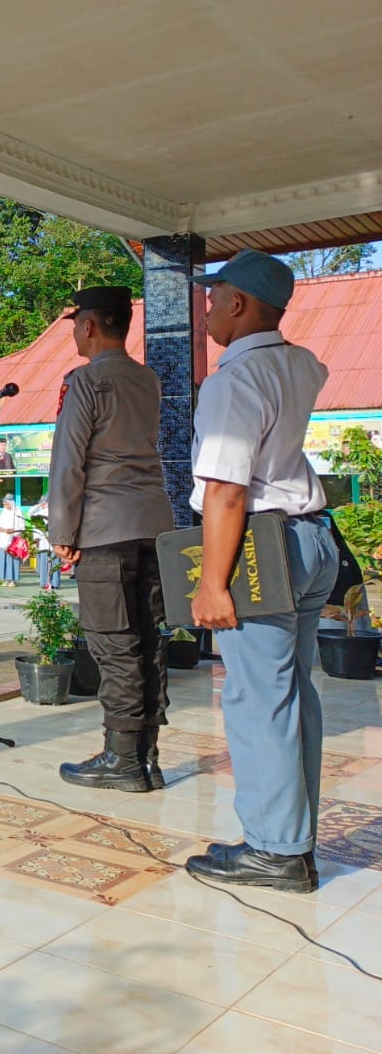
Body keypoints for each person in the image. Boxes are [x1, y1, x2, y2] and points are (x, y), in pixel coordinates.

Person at [178, 251, 338, 893]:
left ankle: (276, 850)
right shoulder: (302, 364)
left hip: (261, 546)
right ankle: (289, 840)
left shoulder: (233, 380)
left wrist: (212, 583)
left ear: (239, 303)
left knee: (257, 699)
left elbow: (224, 490)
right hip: (312, 539)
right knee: (293, 692)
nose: (208, 310)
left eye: (213, 298)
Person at [48, 285, 175, 793]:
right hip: (153, 525)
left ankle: (121, 759)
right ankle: (147, 757)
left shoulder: (87, 382)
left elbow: (68, 462)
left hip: (104, 530)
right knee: (149, 642)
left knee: (114, 646)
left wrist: (63, 531)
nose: (76, 333)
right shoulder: (147, 379)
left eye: (77, 323)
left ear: (91, 325)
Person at [0, 497, 25, 587]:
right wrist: (2, 529)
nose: (6, 506)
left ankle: (12, 580)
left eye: (7, 504)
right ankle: (5, 579)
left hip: (13, 540)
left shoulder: (17, 512)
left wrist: (13, 531)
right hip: (3, 539)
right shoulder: (4, 512)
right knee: (3, 559)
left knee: (12, 560)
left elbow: (21, 527)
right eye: (4, 504)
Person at [30, 499, 60, 589]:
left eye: (45, 502)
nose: (43, 504)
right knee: (44, 563)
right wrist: (36, 539)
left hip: (55, 541)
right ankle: (44, 583)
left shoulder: (56, 512)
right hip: (43, 542)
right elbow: (31, 513)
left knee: (55, 562)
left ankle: (55, 583)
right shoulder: (39, 514)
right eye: (41, 503)